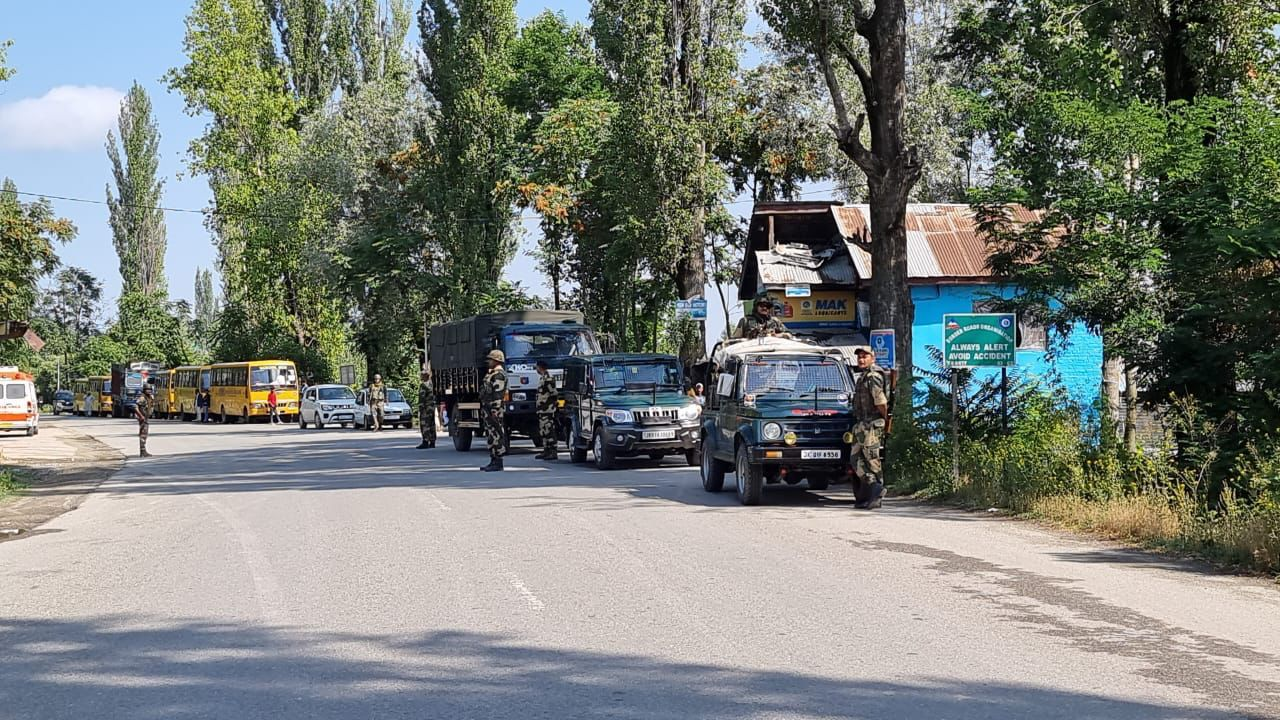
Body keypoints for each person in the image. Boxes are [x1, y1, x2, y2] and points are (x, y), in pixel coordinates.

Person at [851, 347, 889, 510]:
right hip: (861, 425)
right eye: (859, 357)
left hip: (872, 424)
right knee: (856, 460)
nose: (861, 359)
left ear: (872, 358)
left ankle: (877, 493)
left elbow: (880, 402)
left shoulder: (873, 376)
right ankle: (872, 488)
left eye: (865, 356)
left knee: (872, 460)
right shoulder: (863, 376)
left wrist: (885, 420)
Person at [479, 349, 508, 472]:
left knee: (496, 434)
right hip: (488, 408)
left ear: (496, 360)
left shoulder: (499, 375)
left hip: (494, 409)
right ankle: (493, 459)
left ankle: (498, 461)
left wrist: (495, 409)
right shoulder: (492, 373)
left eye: (490, 359)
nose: (488, 361)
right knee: (491, 434)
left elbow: (498, 393)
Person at [534, 360, 558, 461]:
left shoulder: (548, 379)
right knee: (543, 430)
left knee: (549, 430)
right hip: (542, 410)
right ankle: (546, 450)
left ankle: (553, 451)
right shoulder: (543, 378)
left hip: (547, 409)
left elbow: (553, 393)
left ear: (540, 367)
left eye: (536, 367)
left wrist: (550, 404)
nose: (536, 369)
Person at [417, 369, 437, 449]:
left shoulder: (423, 385)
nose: (420, 376)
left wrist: (421, 407)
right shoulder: (432, 384)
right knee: (432, 424)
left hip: (426, 407)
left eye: (422, 375)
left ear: (425, 376)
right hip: (431, 406)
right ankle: (432, 441)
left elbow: (422, 397)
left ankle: (425, 441)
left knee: (424, 424)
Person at [134, 383, 155, 458]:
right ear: (144, 390)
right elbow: (135, 407)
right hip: (142, 418)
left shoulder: (149, 397)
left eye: (150, 389)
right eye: (147, 389)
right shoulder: (142, 398)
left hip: (146, 417)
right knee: (143, 434)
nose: (149, 391)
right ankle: (142, 451)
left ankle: (143, 451)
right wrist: (141, 416)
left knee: (144, 434)